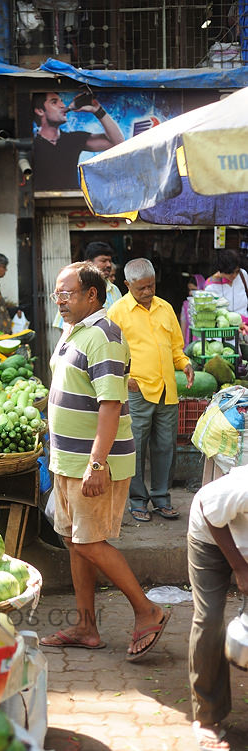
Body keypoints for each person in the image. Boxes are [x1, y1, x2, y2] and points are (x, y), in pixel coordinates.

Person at [40, 261, 171, 660]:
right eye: (57, 294)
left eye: (67, 293)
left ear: (92, 295)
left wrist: (98, 463)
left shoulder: (105, 336)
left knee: (90, 542)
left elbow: (111, 405)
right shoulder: (74, 331)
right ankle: (86, 627)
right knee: (73, 540)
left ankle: (148, 611)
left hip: (93, 463)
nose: (59, 301)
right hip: (66, 459)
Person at [107, 258, 194, 522]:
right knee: (135, 447)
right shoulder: (117, 312)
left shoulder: (165, 308)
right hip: (136, 388)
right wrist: (127, 376)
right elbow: (111, 353)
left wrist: (186, 364)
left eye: (151, 286)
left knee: (166, 447)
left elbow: (176, 347)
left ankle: (161, 498)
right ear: (127, 284)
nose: (147, 292)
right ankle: (137, 501)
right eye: (141, 288)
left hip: (167, 389)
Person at [188, 465, 248, 751]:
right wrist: (240, 568)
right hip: (209, 536)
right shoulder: (244, 487)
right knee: (209, 619)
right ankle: (207, 717)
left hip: (243, 541)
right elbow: (209, 508)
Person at [32, 91, 124, 191]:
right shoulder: (31, 144)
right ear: (40, 111)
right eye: (54, 102)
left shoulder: (72, 139)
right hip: (39, 204)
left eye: (62, 101)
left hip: (72, 203)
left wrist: (97, 110)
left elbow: (117, 143)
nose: (62, 105)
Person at [53, 241, 121, 330]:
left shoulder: (114, 290)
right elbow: (64, 327)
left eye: (110, 261)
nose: (108, 265)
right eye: (103, 261)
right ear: (89, 263)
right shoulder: (76, 289)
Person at [204, 249, 248, 322]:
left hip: (245, 326)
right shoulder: (210, 287)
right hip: (224, 329)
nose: (234, 275)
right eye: (230, 273)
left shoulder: (243, 275)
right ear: (221, 270)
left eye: (236, 272)